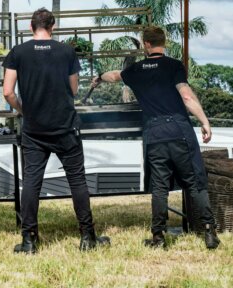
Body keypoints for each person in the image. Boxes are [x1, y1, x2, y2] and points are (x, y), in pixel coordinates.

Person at [91, 25, 220, 250]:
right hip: (179, 130)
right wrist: (204, 120)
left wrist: (98, 78)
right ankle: (209, 232)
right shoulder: (174, 66)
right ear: (163, 43)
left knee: (160, 187)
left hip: (155, 133)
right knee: (195, 183)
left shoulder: (136, 69)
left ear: (146, 44)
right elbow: (187, 96)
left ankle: (158, 237)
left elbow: (113, 75)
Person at [2, 8, 110, 254]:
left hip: (34, 129)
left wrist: (23, 110)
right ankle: (87, 236)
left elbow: (8, 92)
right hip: (65, 127)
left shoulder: (18, 52)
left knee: (31, 182)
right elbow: (73, 90)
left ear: (31, 27)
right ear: (53, 27)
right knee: (77, 180)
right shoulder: (66, 51)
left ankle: (29, 241)